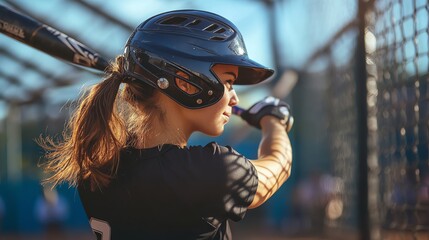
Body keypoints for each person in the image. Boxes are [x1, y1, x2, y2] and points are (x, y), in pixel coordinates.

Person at [39, 9, 293, 240]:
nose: (234, 97)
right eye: (228, 82)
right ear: (186, 83)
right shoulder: (206, 172)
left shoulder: (100, 167)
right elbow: (278, 166)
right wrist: (274, 121)